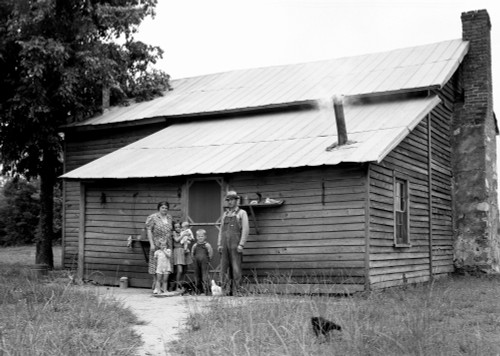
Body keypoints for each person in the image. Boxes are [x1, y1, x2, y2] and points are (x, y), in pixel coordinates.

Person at [217, 190, 249, 296]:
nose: (229, 202)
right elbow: (221, 230)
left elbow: (245, 229)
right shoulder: (225, 214)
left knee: (236, 268)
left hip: (235, 245)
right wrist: (219, 244)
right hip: (225, 245)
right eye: (228, 200)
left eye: (231, 200)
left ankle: (237, 291)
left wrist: (241, 244)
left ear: (236, 200)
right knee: (224, 268)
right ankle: (225, 290)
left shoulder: (241, 213)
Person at [145, 201, 173, 293]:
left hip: (167, 244)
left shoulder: (169, 217)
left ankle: (163, 287)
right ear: (159, 208)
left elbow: (170, 231)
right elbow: (149, 230)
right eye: (162, 207)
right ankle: (157, 285)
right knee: (156, 264)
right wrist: (152, 244)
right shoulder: (153, 217)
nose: (164, 209)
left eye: (166, 208)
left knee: (165, 263)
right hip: (157, 243)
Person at [191, 229, 213, 295]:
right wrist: (194, 260)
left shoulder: (207, 245)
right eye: (199, 236)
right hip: (196, 262)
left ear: (205, 237)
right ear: (196, 237)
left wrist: (209, 260)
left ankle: (206, 290)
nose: (200, 238)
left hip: (204, 262)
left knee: (205, 276)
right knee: (197, 276)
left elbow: (210, 253)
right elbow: (192, 253)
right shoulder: (195, 245)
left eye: (202, 236)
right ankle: (197, 291)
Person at [172, 221, 189, 292]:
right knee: (179, 270)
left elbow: (190, 238)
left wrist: (188, 236)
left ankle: (181, 286)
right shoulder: (174, 233)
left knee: (184, 270)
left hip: (184, 251)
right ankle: (176, 287)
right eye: (176, 227)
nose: (178, 228)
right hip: (177, 252)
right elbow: (176, 239)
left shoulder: (183, 232)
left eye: (179, 227)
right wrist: (183, 235)